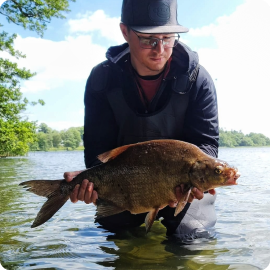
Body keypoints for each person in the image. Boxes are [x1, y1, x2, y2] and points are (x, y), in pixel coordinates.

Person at [64, 0, 219, 239]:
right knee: (118, 239)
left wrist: (195, 181)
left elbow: (207, 145)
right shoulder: (101, 80)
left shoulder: (198, 79)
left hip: (185, 186)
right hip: (125, 185)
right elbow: (97, 152)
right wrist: (88, 182)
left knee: (193, 240)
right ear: (125, 32)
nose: (160, 49)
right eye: (148, 39)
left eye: (168, 38)